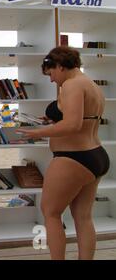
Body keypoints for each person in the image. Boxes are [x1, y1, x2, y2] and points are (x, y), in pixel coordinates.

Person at [17, 46, 110, 260]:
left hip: (73, 157)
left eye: (51, 74)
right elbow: (81, 119)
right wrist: (52, 121)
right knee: (83, 217)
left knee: (50, 212)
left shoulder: (71, 84)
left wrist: (38, 132)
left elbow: (72, 125)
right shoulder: (91, 84)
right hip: (95, 155)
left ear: (60, 65)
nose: (51, 80)